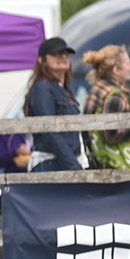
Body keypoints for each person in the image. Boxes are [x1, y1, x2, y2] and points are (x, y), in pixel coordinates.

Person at [82, 44, 130, 169]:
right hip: (124, 169)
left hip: (103, 165)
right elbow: (111, 134)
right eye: (127, 63)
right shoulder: (115, 95)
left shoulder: (95, 90)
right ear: (116, 70)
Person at [25, 37, 86, 172]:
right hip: (50, 163)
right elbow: (49, 132)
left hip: (66, 162)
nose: (63, 56)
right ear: (42, 60)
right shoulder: (43, 88)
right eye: (56, 53)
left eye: (66, 53)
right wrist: (74, 166)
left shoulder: (65, 91)